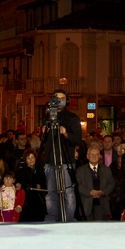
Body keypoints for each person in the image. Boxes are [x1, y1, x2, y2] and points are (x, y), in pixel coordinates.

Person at [40, 89, 83, 222]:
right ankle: (52, 218)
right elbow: (44, 141)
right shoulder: (47, 118)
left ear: (67, 101)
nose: (59, 101)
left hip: (65, 160)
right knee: (51, 193)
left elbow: (78, 140)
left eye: (62, 99)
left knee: (68, 193)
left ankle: (68, 219)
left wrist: (66, 134)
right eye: (56, 98)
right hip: (50, 160)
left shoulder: (72, 118)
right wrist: (43, 133)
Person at [75, 143, 116, 221]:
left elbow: (111, 184)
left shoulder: (106, 169)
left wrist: (103, 192)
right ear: (87, 156)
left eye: (96, 154)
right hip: (87, 205)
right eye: (92, 154)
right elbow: (78, 185)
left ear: (99, 156)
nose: (94, 156)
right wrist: (90, 192)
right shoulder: (80, 170)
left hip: (102, 204)